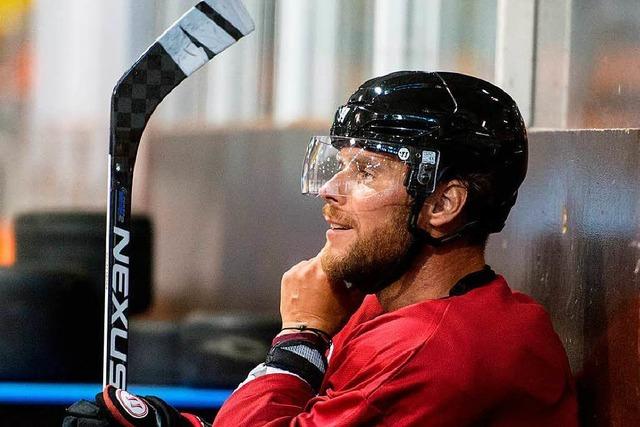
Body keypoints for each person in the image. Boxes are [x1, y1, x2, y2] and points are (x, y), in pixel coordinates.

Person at [63, 71, 578, 426]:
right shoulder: (386, 306)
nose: (331, 188)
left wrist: (299, 341)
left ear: (443, 203)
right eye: (339, 164)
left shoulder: (440, 353)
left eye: (367, 170)